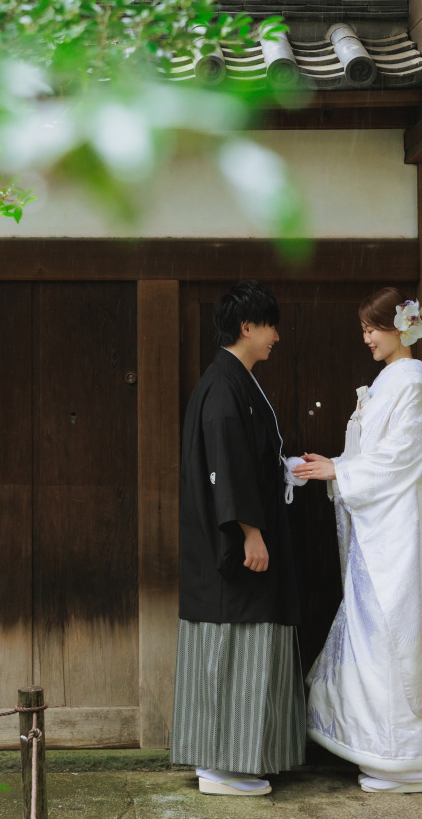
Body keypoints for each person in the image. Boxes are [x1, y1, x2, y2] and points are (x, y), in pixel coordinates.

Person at [292, 286, 422, 794]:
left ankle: (407, 759)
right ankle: (386, 753)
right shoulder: (390, 383)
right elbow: (382, 457)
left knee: (396, 638)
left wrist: (340, 471)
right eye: (364, 330)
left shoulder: (410, 384)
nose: (366, 338)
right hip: (379, 530)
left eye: (372, 328)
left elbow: (400, 460)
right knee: (378, 638)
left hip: (395, 534)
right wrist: (339, 469)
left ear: (400, 328)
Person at [170, 280, 306, 797]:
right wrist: (250, 532)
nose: (276, 337)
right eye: (270, 326)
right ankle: (223, 765)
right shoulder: (224, 388)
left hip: (237, 544)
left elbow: (248, 461)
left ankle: (228, 760)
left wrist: (286, 468)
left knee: (234, 652)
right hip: (235, 549)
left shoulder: (232, 382)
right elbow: (226, 467)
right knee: (233, 651)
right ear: (247, 327)